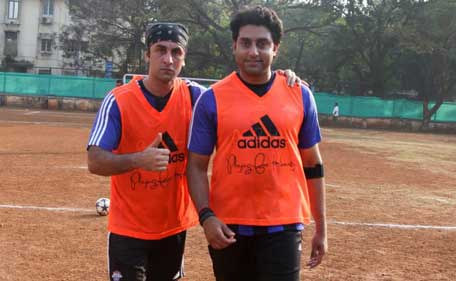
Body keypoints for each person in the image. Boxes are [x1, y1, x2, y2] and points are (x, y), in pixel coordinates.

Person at [87, 21, 303, 281]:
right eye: (160, 50)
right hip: (128, 229)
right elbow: (95, 161)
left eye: (176, 52)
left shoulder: (196, 97)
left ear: (184, 58)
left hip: (173, 228)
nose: (168, 59)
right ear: (147, 54)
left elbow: (240, 94)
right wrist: (139, 159)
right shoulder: (119, 100)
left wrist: (281, 78)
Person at [187, 6, 327, 281]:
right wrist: (206, 217)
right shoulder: (212, 99)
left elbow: (313, 164)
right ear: (234, 47)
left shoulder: (299, 94)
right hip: (228, 228)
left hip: (283, 227)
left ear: (275, 48)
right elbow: (196, 166)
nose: (253, 51)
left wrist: (322, 228)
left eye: (262, 44)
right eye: (246, 43)